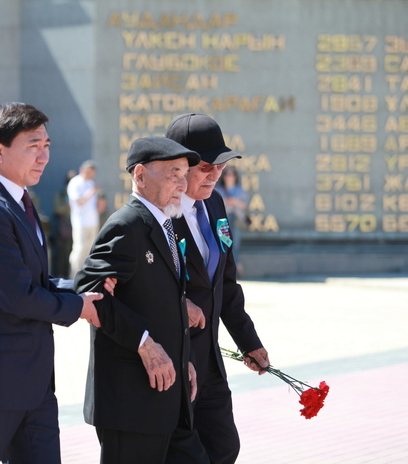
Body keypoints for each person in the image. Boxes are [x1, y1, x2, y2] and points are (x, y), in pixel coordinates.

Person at [0, 102, 106, 464]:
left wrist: (80, 287)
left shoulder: (17, 200)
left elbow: (34, 279)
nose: (43, 156)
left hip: (30, 380)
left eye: (47, 145)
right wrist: (79, 307)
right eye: (32, 145)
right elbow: (18, 296)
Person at [74, 136, 209, 464]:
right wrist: (145, 344)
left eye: (184, 173)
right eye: (172, 172)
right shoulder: (126, 225)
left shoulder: (166, 223)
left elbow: (163, 298)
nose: (182, 182)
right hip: (132, 401)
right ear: (140, 175)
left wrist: (183, 357)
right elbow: (90, 293)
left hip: (169, 396)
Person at [165, 113, 270, 464]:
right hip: (175, 363)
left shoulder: (215, 204)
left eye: (220, 166)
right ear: (179, 166)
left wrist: (249, 342)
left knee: (224, 447)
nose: (215, 175)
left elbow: (226, 284)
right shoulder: (158, 216)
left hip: (209, 360)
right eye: (206, 166)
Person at [67, 160, 100, 278]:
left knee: (89, 250)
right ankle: (73, 277)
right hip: (80, 223)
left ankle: (84, 277)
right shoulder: (75, 182)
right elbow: (79, 201)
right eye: (90, 172)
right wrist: (91, 192)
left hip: (93, 222)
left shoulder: (91, 183)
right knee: (79, 250)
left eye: (93, 173)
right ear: (83, 170)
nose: (91, 175)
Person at [216, 165, 249, 276]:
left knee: (235, 245)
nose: (229, 177)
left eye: (232, 174)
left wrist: (234, 201)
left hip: (237, 221)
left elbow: (244, 205)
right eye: (227, 174)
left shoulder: (240, 189)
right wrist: (226, 201)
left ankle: (236, 267)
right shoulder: (218, 189)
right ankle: (231, 269)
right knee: (225, 244)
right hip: (223, 221)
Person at [51, 169, 75, 277]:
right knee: (60, 257)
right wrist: (67, 205)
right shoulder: (60, 195)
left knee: (69, 256)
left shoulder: (76, 194)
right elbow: (57, 209)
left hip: (73, 229)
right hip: (61, 231)